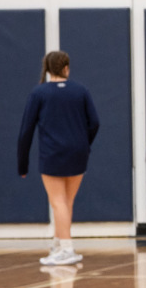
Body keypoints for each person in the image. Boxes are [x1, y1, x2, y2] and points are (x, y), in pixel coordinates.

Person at [16, 51, 100, 267]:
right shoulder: (81, 91)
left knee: (58, 202)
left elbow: (26, 130)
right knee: (66, 202)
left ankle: (67, 249)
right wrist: (84, 143)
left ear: (47, 69)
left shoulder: (39, 93)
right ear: (66, 68)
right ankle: (58, 243)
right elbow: (95, 123)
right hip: (79, 153)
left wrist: (22, 163)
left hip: (53, 153)